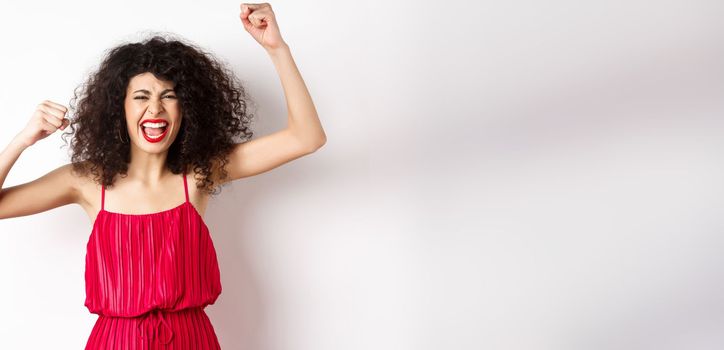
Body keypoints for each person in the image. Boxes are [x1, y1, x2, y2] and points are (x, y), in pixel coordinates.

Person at [0, 3, 326, 349]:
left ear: (186, 109)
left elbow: (306, 137)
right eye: (141, 97)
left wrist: (277, 49)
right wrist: (22, 140)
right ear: (119, 109)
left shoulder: (201, 173)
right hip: (116, 343)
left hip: (191, 341)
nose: (155, 109)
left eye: (168, 97)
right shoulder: (84, 180)